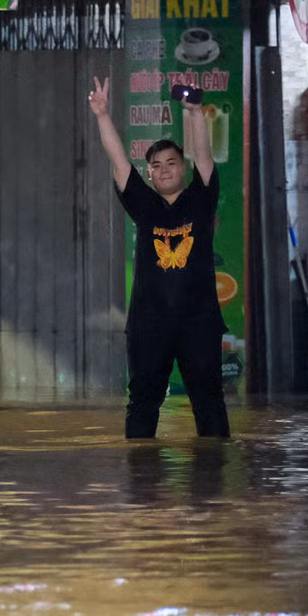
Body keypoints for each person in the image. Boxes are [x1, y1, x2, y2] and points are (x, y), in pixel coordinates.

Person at [89, 76, 230, 440]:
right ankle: (142, 485)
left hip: (199, 320)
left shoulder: (200, 199)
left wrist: (194, 112)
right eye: (156, 165)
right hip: (149, 322)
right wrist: (103, 115)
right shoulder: (144, 205)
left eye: (171, 162)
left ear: (181, 169)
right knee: (142, 402)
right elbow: (119, 161)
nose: (164, 169)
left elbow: (203, 154)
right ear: (149, 174)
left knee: (209, 401)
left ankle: (213, 486)